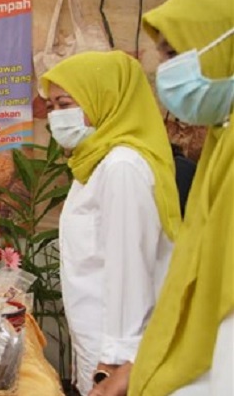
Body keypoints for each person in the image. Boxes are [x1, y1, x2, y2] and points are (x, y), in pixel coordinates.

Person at [93, 0, 234, 396]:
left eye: (173, 53)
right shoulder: (222, 142)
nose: (165, 73)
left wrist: (122, 354)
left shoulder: (122, 166)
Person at [40, 50, 181, 396]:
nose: (56, 116)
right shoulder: (92, 166)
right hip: (99, 342)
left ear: (103, 99)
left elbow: (129, 269)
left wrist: (116, 362)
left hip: (117, 358)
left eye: (65, 103)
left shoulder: (122, 167)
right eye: (51, 107)